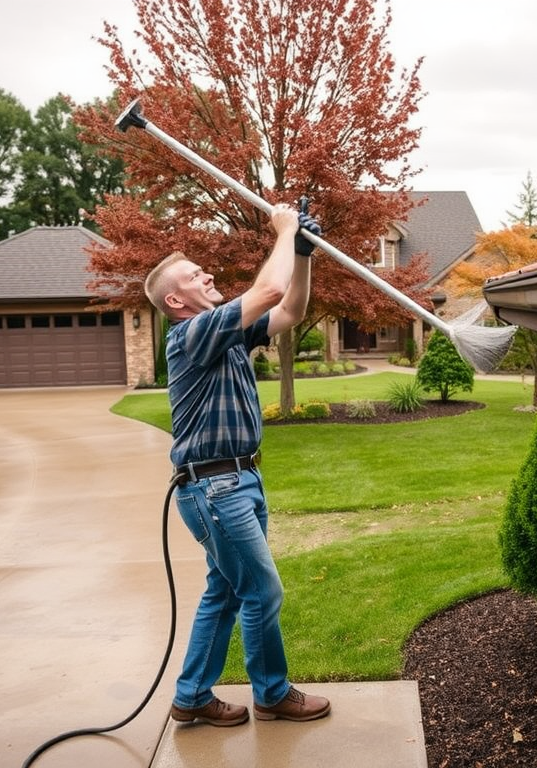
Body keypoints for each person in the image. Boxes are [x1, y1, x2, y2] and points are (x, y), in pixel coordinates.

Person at [143, 201, 330, 726]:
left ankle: (192, 696)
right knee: (262, 590)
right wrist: (286, 229)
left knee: (225, 590)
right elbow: (267, 290)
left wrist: (304, 253)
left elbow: (288, 309)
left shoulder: (225, 334)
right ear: (176, 300)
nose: (207, 274)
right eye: (194, 275)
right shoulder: (191, 336)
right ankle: (271, 692)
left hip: (241, 478)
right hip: (214, 488)